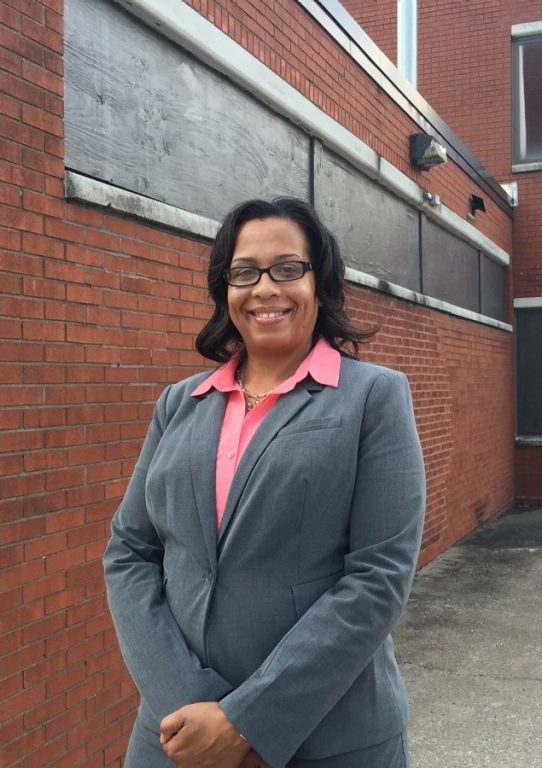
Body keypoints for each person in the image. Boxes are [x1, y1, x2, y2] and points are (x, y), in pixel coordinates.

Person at [103, 197, 426, 768]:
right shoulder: (179, 404)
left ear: (319, 283)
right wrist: (193, 707)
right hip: (178, 737)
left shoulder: (373, 398)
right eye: (245, 272)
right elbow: (130, 552)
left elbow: (379, 578)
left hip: (325, 741)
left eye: (287, 268)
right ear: (225, 290)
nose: (265, 289)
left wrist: (247, 722)